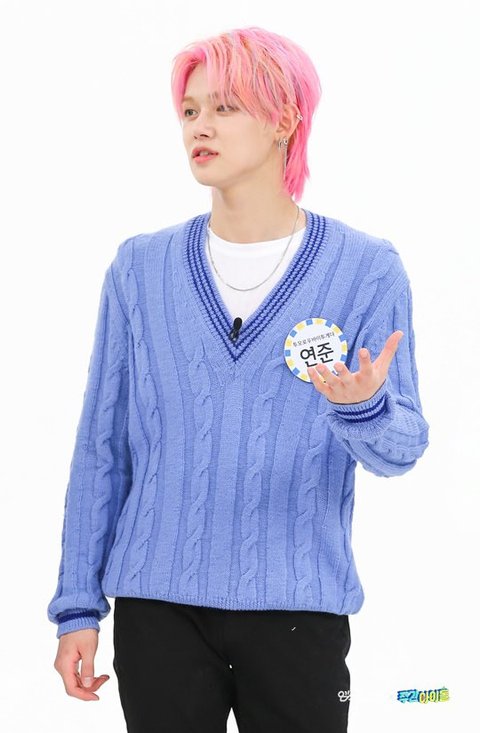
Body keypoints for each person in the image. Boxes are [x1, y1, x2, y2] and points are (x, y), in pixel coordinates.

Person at [48, 25, 430, 733]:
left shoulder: (366, 268)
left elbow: (403, 448)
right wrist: (77, 608)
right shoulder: (139, 269)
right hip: (157, 609)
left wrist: (365, 407)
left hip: (299, 611)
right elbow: (101, 449)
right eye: (190, 110)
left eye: (225, 107)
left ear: (285, 120)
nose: (199, 126)